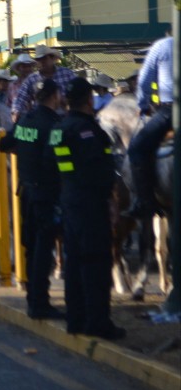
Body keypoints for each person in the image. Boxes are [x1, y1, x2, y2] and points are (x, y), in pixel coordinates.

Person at [47, 78, 124, 340]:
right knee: (96, 264)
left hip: (68, 201)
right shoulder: (89, 131)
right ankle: (98, 322)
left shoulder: (59, 128)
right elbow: (101, 172)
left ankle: (75, 319)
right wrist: (110, 201)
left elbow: (52, 166)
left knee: (74, 263)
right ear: (89, 100)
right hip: (91, 204)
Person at [0, 79, 64, 319]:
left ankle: (32, 301)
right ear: (53, 96)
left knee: (31, 249)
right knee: (43, 252)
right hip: (46, 195)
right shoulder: (53, 124)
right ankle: (41, 304)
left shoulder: (25, 120)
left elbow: (5, 144)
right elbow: (53, 161)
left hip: (26, 193)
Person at [124, 34, 172, 218]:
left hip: (170, 111)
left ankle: (144, 201)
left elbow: (144, 80)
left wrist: (143, 105)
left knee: (136, 149)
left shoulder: (162, 45)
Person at [12, 44, 76, 122]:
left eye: (44, 58)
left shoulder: (67, 73)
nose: (41, 62)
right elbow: (20, 98)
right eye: (38, 59)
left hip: (65, 117)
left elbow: (79, 91)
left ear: (52, 58)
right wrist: (16, 112)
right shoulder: (32, 79)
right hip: (40, 119)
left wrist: (67, 101)